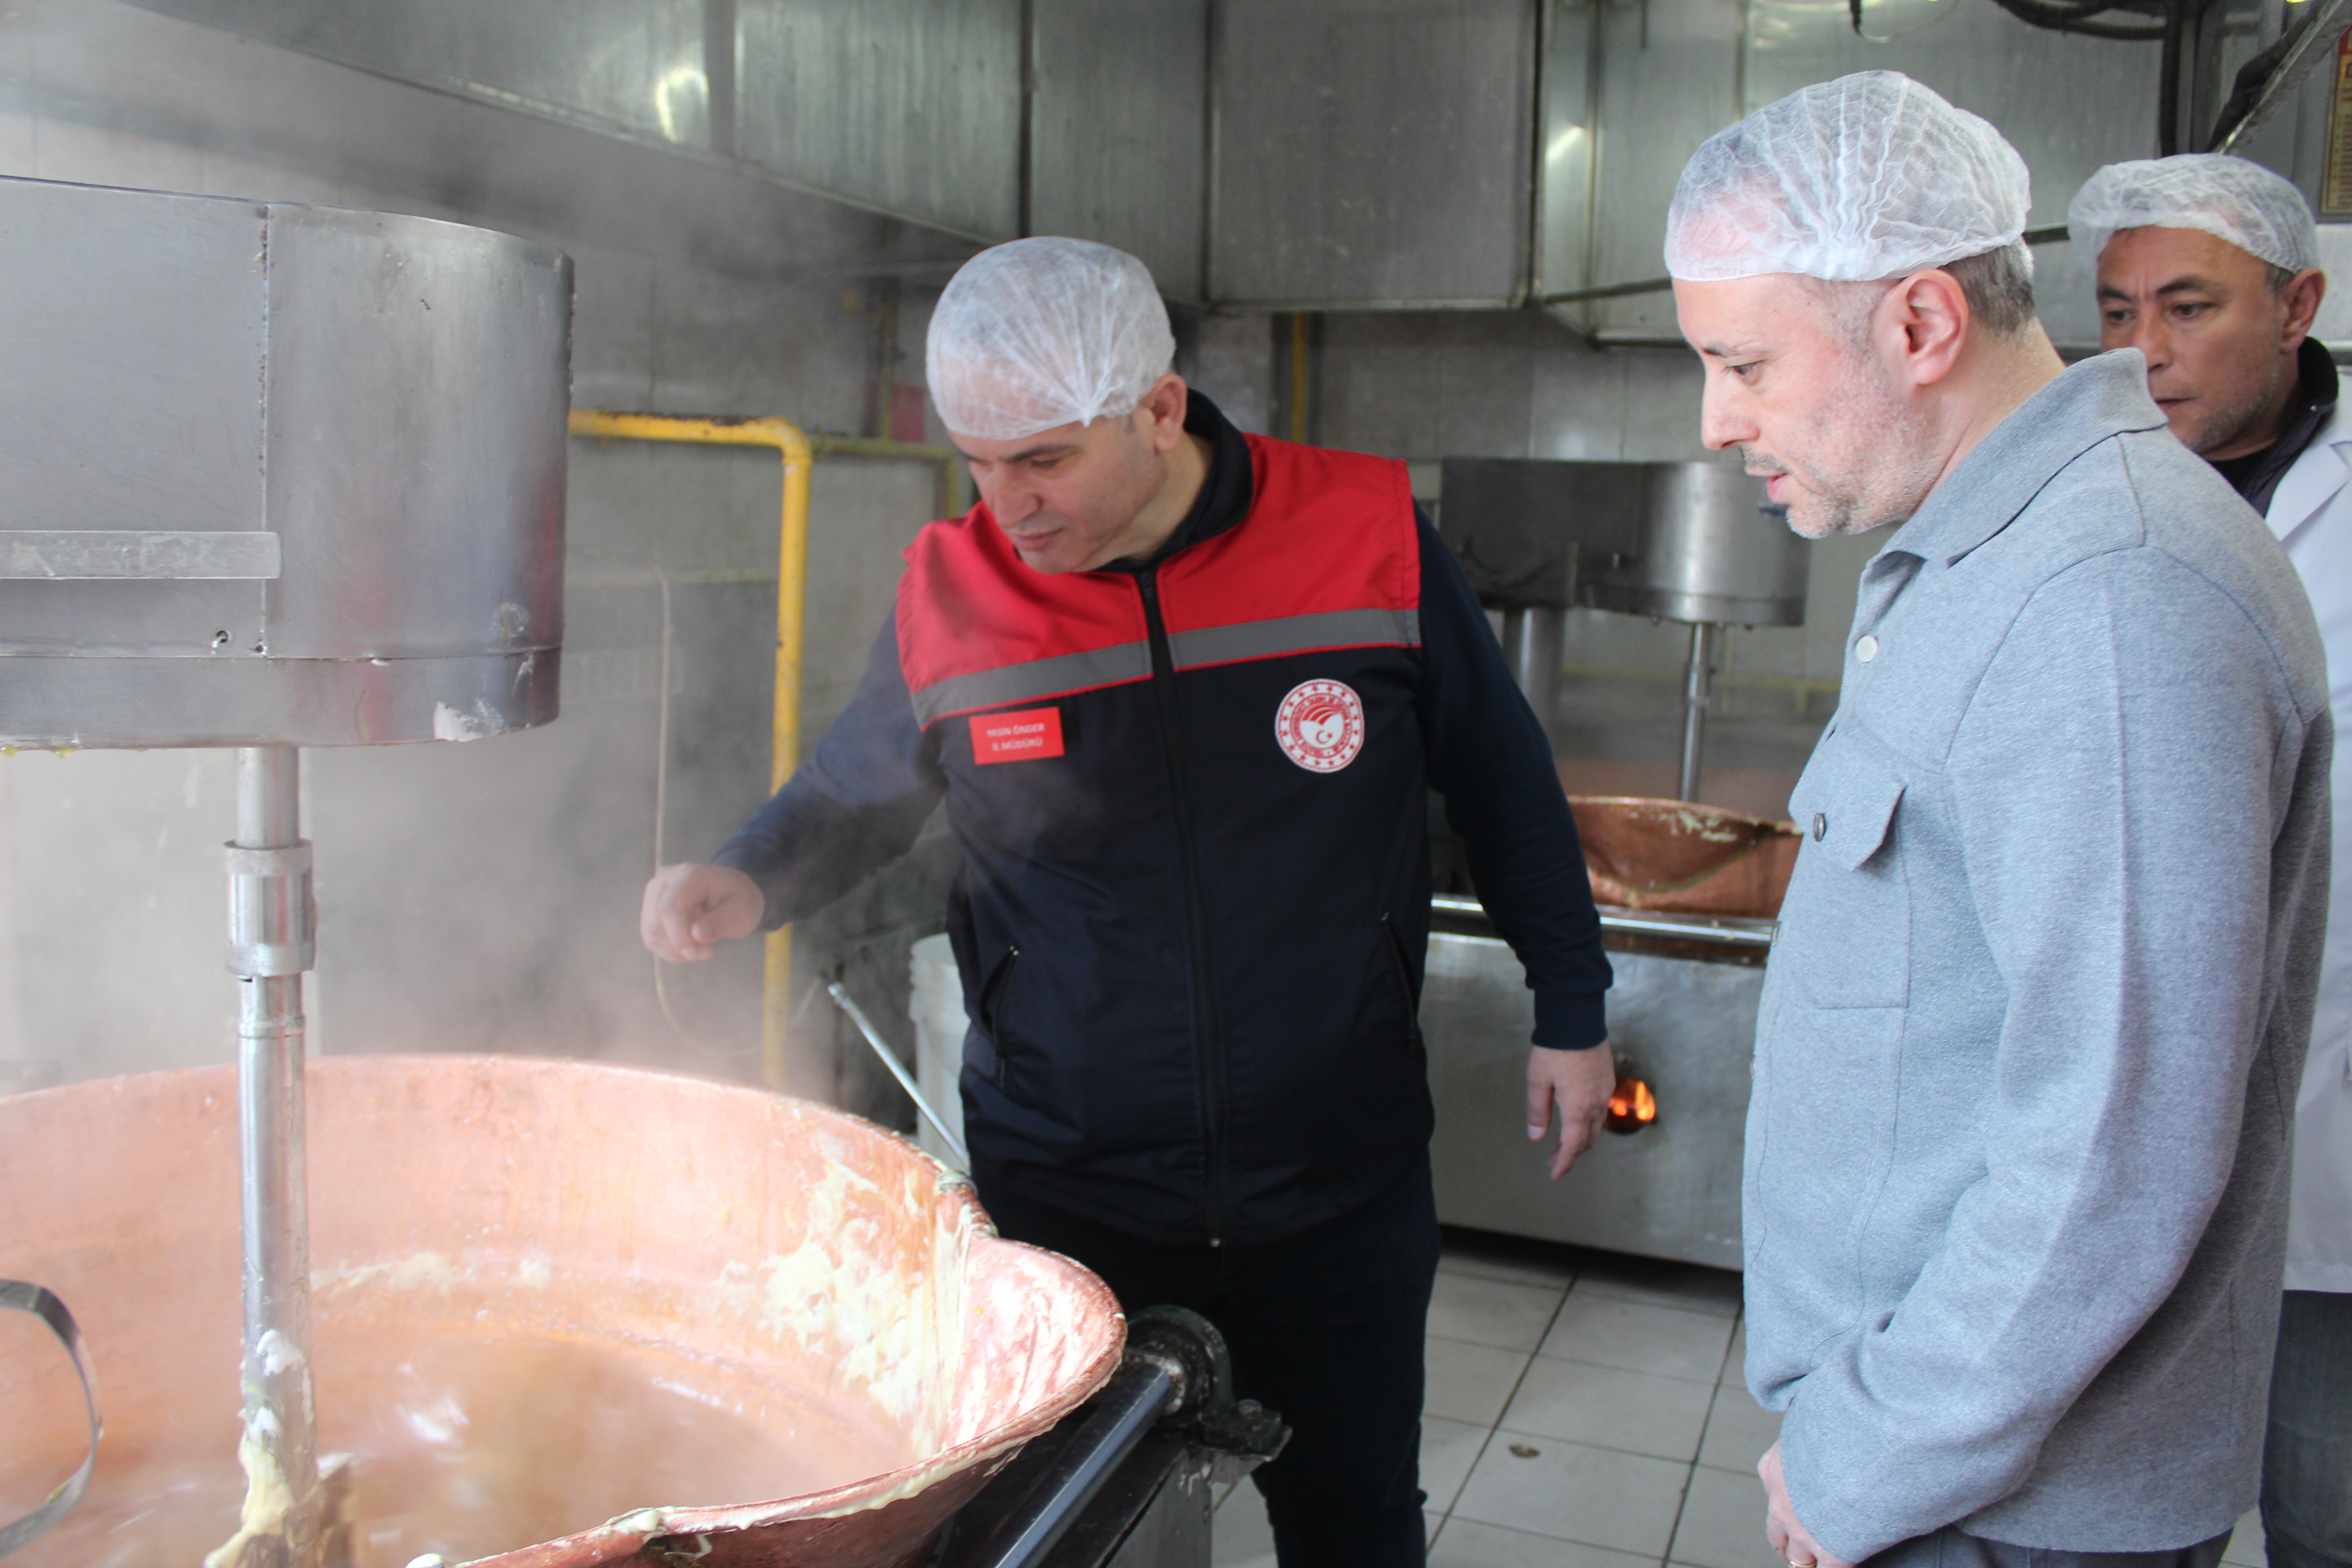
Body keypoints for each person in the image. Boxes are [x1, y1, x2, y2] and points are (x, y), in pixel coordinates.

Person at [639, 236, 1616, 1567]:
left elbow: (1502, 781)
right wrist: (747, 873)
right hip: (1069, 1186)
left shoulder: (1364, 533)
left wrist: (1572, 1003)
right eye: (978, 463)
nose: (1008, 506)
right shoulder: (954, 587)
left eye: (1043, 460)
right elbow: (857, 795)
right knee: (1068, 1532)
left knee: (1355, 1524)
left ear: (1159, 411)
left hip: (1336, 1175)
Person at [1664, 72, 2334, 1568]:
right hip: (1961, 1464)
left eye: (1745, 364)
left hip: (2006, 1504)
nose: (1718, 421)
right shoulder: (1991, 557)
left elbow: (2115, 1144)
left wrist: (1873, 1453)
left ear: (1920, 324)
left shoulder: (2110, 592)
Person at [2068, 152, 2352, 1568]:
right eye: (2118, 313)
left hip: (2335, 1127)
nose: (2145, 353)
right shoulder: (2081, 501)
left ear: (2298, 306)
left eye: (2189, 308)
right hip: (2116, 1139)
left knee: (2327, 1511)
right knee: (2120, 1522)